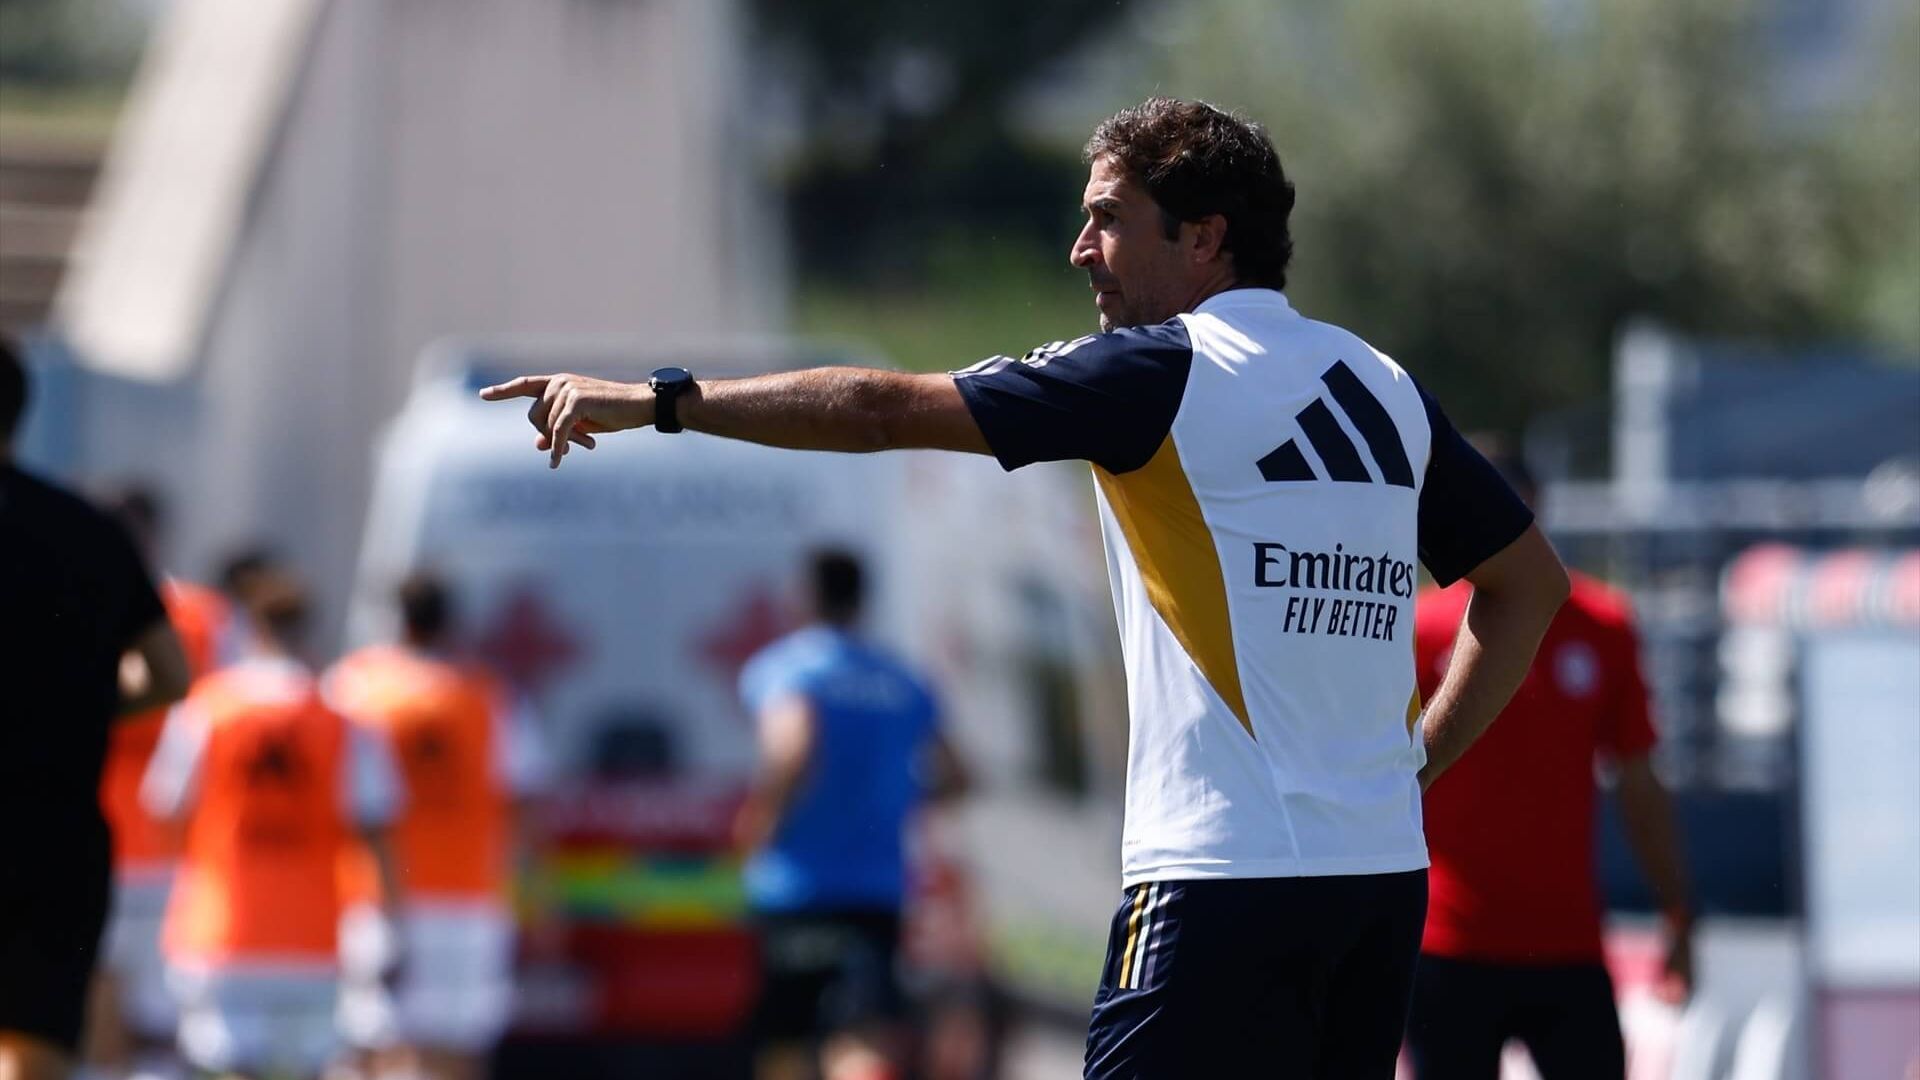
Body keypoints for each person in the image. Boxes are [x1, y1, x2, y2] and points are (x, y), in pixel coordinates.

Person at [479, 97, 1571, 1077]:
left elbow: (878, 410)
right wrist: (1409, 765)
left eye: (1108, 219)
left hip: (1222, 877)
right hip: (1376, 888)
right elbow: (1526, 588)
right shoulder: (1380, 383)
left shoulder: (1161, 371)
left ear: (1204, 238)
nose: (1078, 249)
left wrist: (661, 401)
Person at [1405, 448, 1695, 1080]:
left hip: (1566, 946)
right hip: (1446, 943)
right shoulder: (1419, 626)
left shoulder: (1602, 625)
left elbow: (1639, 781)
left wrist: (1676, 907)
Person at [1, 337, 191, 1080]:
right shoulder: (87, 530)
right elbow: (170, 674)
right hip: (58, 840)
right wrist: (79, 708)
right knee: (36, 1054)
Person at [141, 570, 403, 1080]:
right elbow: (374, 828)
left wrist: (187, 885)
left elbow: (167, 809)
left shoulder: (208, 707)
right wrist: (390, 922)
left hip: (223, 925)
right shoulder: (341, 718)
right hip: (312, 934)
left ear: (247, 628)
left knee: (227, 1066)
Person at [735, 549, 966, 1080]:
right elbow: (958, 776)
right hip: (878, 888)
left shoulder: (787, 669)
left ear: (805, 597)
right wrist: (899, 794)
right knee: (860, 1035)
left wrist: (763, 818)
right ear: (863, 600)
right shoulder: (904, 680)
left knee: (786, 1038)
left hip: (795, 886)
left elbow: (792, 747)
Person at [324, 571, 547, 1080]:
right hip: (469, 899)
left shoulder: (353, 688)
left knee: (371, 1043)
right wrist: (537, 889)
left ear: (394, 622)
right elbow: (525, 800)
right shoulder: (489, 696)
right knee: (458, 1047)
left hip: (375, 895)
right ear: (450, 624)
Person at [92, 487, 238, 1079]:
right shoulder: (204, 616)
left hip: (118, 836)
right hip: (172, 842)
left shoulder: (82, 599)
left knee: (106, 997)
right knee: (158, 1010)